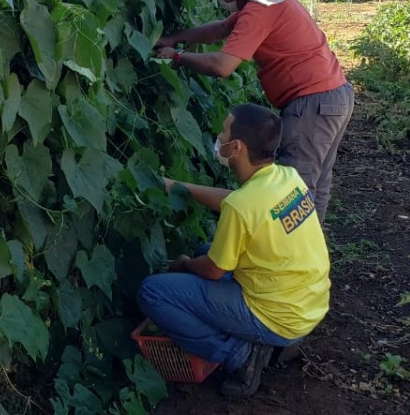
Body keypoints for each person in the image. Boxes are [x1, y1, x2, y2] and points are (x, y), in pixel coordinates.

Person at [138, 104, 330, 398]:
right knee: (206, 250)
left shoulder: (242, 207)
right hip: (306, 304)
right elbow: (235, 200)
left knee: (153, 292)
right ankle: (266, 341)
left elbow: (213, 271)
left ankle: (240, 355)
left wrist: (185, 264)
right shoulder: (287, 177)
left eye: (223, 132)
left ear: (236, 147)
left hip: (279, 317)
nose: (219, 137)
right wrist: (176, 187)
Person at [154, 0, 353, 223]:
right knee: (313, 187)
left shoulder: (259, 10)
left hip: (312, 102)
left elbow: (222, 65)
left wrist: (177, 56)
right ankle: (309, 247)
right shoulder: (267, 1)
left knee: (292, 193)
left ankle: (285, 249)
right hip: (333, 96)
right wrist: (175, 38)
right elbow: (220, 29)